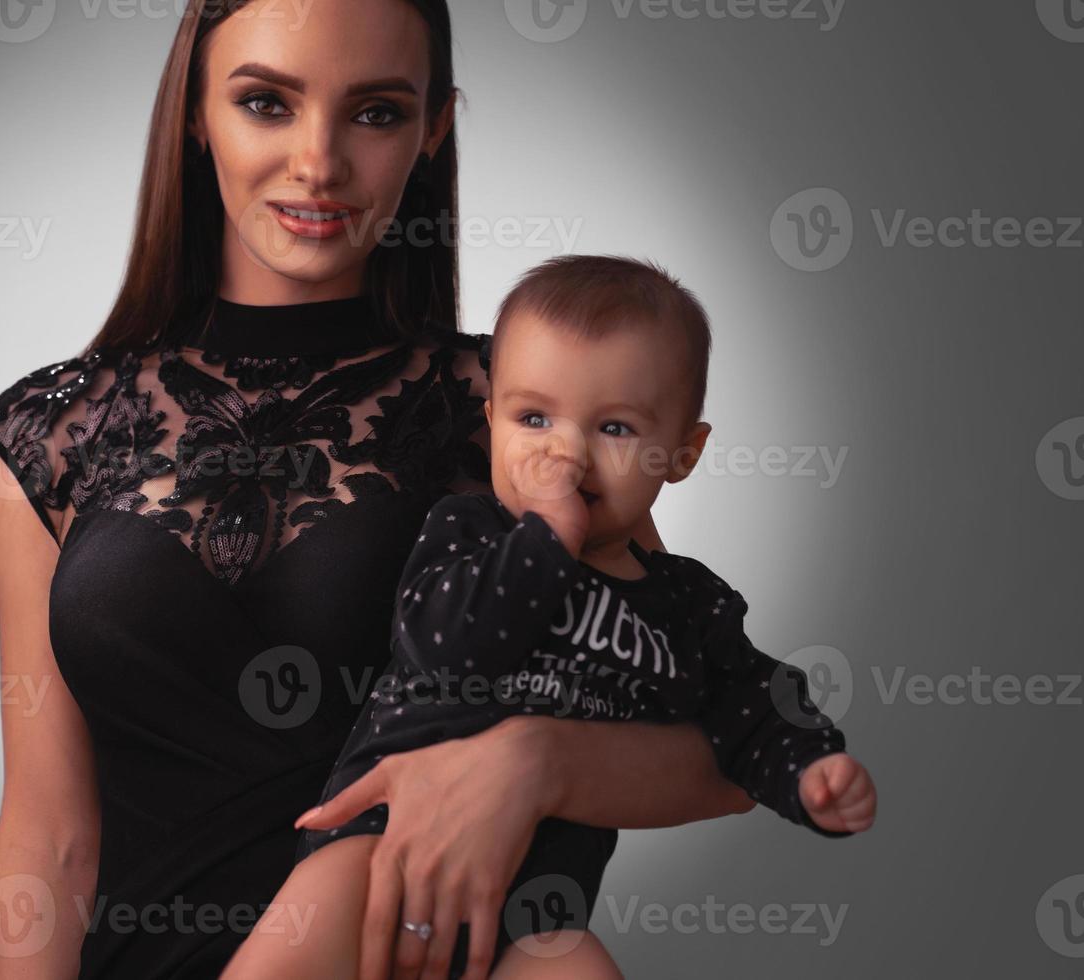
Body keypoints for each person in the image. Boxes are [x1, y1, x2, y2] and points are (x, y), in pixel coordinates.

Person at [0, 4, 755, 977]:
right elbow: (49, 834)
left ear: (433, 129)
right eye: (265, 102)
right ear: (195, 114)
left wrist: (538, 760)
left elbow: (715, 734)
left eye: (375, 113)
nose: (319, 161)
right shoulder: (49, 433)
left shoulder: (523, 416)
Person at [222, 255, 879, 978]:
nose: (564, 451)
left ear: (683, 453)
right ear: (491, 421)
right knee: (308, 924)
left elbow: (750, 706)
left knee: (579, 968)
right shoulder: (469, 533)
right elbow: (446, 649)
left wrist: (810, 768)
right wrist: (548, 539)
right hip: (387, 848)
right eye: (533, 417)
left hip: (534, 915)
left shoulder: (687, 605)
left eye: (616, 429)